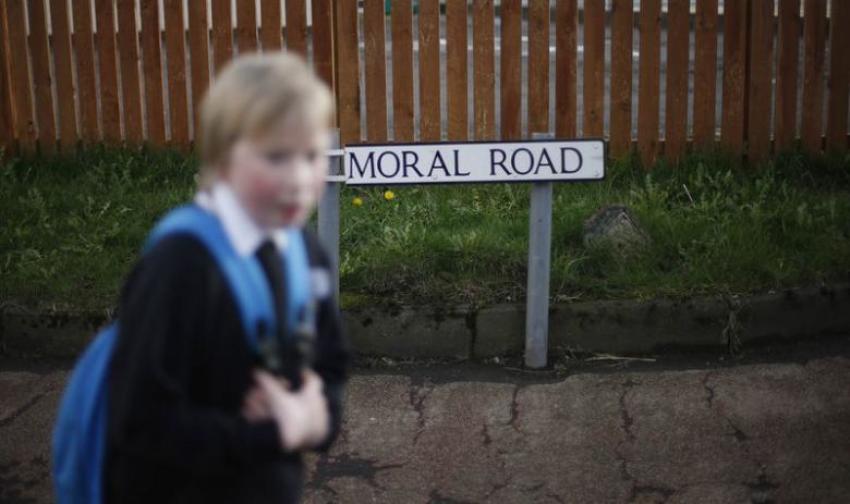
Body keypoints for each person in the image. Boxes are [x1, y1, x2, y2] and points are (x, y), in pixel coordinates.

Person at [104, 53, 349, 503]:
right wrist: (276, 433)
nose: (298, 178)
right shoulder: (181, 266)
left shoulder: (305, 253)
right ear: (221, 158)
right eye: (275, 157)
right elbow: (139, 423)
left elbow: (331, 363)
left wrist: (317, 421)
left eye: (312, 155)